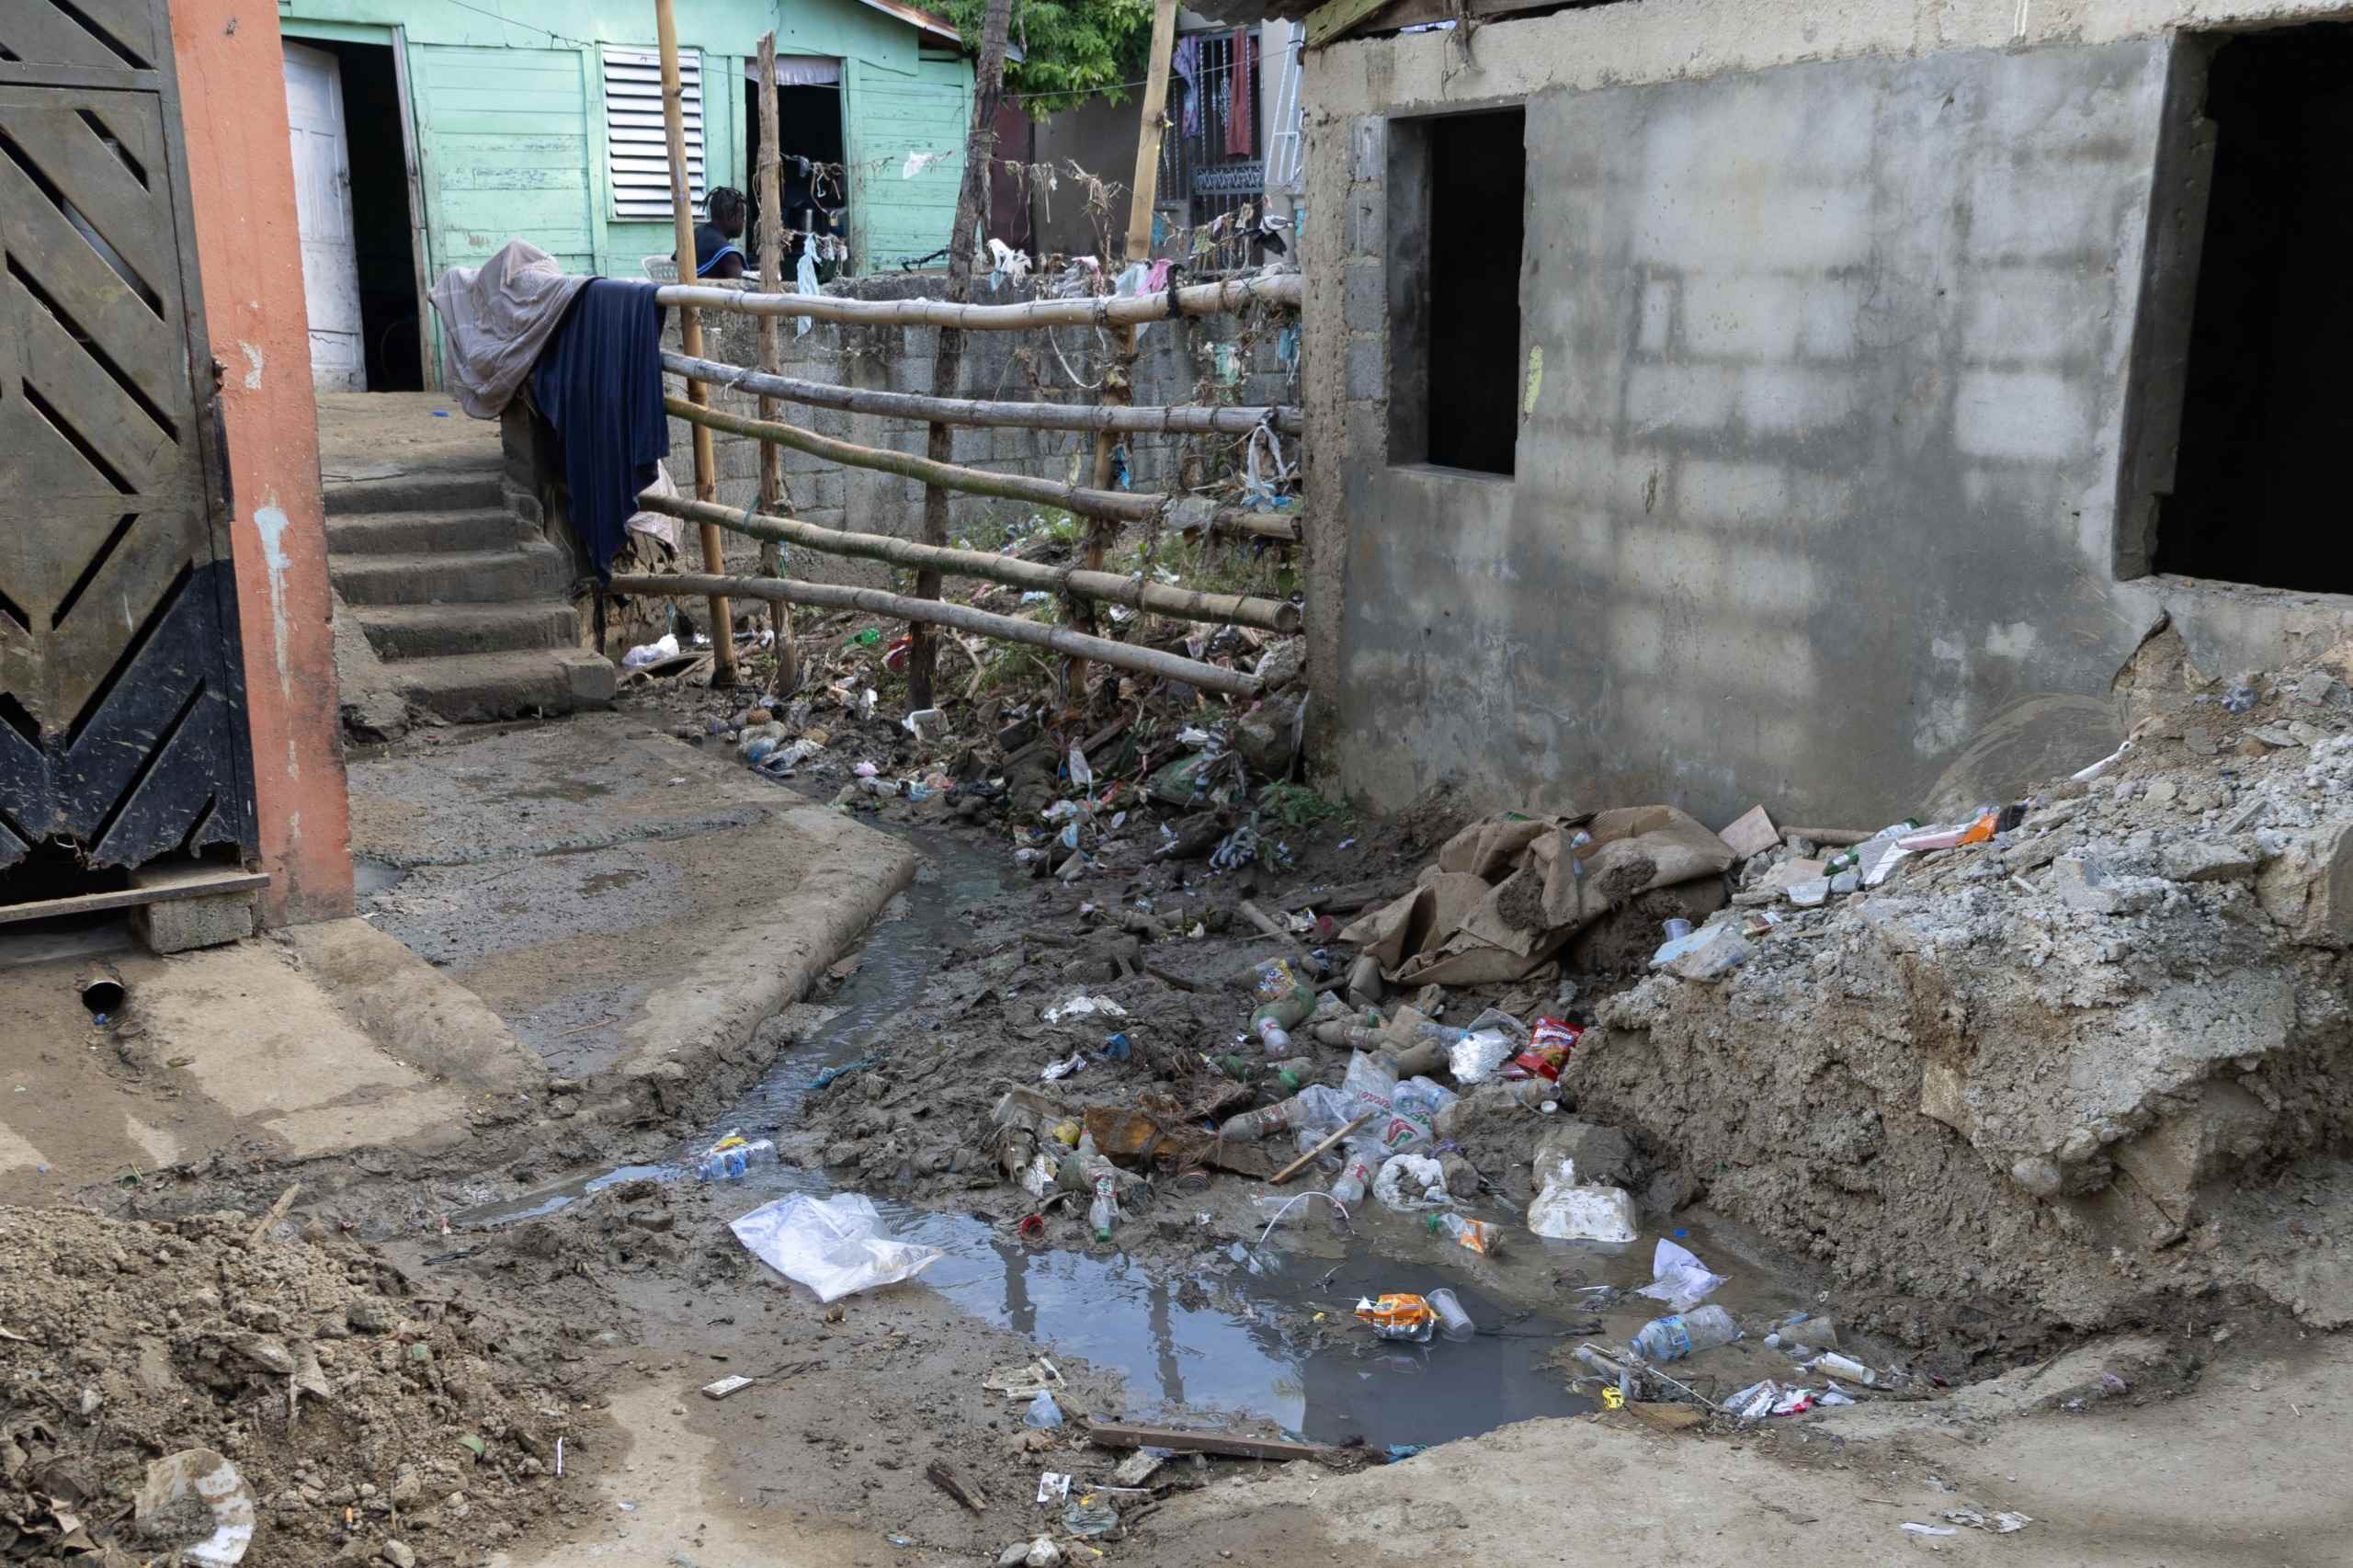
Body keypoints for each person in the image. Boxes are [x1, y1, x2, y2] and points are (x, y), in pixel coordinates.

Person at [677, 187, 747, 279]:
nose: (744, 222)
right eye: (742, 217)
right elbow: (743, 284)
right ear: (730, 217)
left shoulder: (696, 233)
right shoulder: (729, 256)